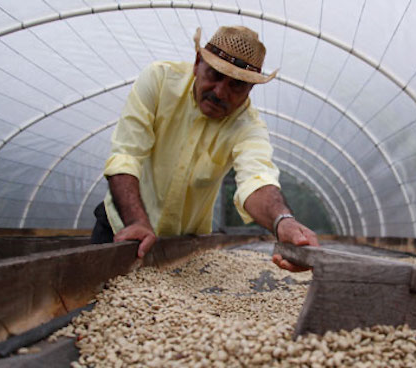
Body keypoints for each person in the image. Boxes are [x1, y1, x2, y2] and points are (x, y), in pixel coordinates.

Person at [91, 25, 318, 271]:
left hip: (182, 246)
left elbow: (257, 180)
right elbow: (126, 154)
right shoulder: (159, 80)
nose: (220, 92)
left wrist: (283, 222)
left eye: (237, 85)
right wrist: (136, 220)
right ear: (198, 62)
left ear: (251, 89)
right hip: (122, 226)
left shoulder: (248, 127)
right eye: (215, 75)